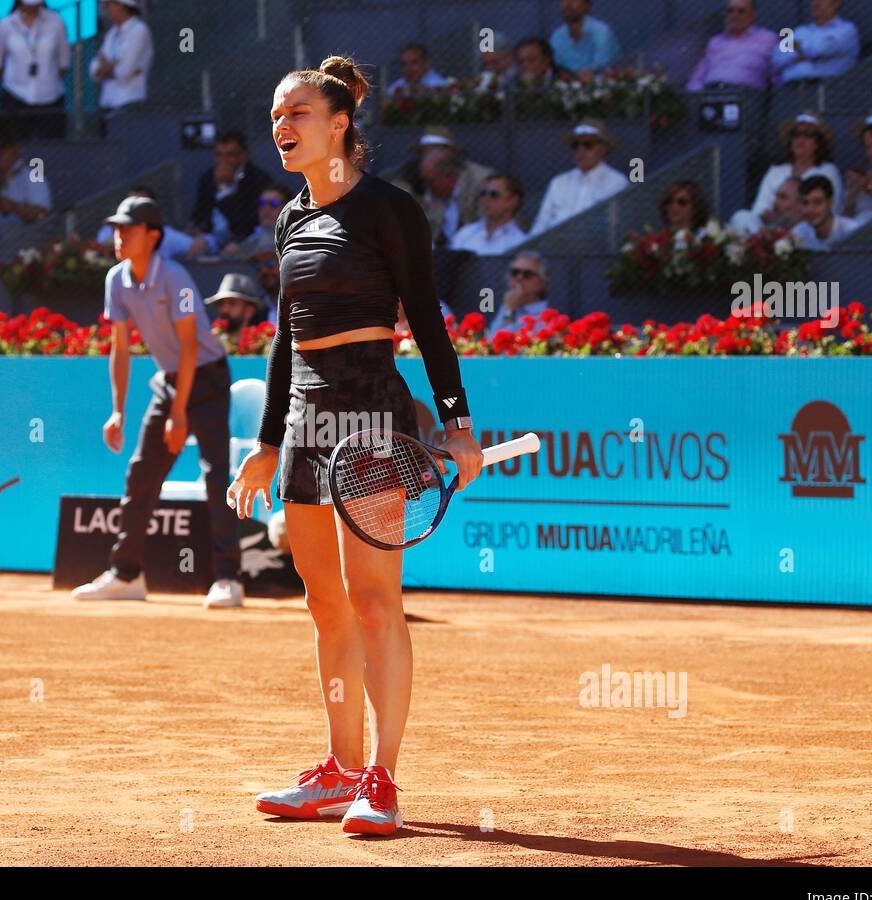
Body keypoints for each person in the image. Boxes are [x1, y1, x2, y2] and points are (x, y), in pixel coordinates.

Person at [228, 55, 483, 835]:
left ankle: (383, 777)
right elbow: (282, 338)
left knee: (375, 602)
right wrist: (269, 440)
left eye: (297, 111)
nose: (282, 124)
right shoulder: (290, 217)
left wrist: (457, 421)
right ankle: (338, 770)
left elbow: (429, 319)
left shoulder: (388, 210)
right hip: (307, 417)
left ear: (339, 122)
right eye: (276, 113)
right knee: (324, 601)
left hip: (373, 409)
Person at [72, 196, 244, 608]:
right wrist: (118, 410)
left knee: (215, 475)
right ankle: (126, 574)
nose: (119, 236)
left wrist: (180, 414)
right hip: (169, 382)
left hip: (207, 378)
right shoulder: (116, 279)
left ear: (152, 236)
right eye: (117, 228)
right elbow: (119, 347)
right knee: (141, 474)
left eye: (128, 229)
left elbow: (188, 349)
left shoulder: (176, 278)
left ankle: (228, 580)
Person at [729, 112, 842, 232]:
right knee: (741, 216)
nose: (800, 139)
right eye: (795, 134)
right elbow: (760, 209)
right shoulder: (776, 171)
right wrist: (772, 217)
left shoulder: (828, 171)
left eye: (808, 135)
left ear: (818, 143)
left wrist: (790, 218)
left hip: (807, 230)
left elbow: (829, 212)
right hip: (771, 229)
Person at [392, 128, 495, 247]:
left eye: (438, 150)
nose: (430, 155)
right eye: (424, 153)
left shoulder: (482, 182)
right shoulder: (411, 177)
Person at [529, 119, 629, 235]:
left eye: (588, 144)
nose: (580, 150)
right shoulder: (558, 182)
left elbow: (614, 229)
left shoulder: (616, 182)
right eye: (576, 145)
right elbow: (541, 224)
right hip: (554, 249)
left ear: (603, 149)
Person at [0, 0, 71, 140]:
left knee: (51, 150)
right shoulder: (5, 25)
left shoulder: (56, 22)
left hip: (50, 97)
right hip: (15, 96)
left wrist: (46, 79)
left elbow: (64, 62)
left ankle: (40, 163)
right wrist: (15, 80)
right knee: (17, 147)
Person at [188, 131, 272, 253]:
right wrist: (196, 228)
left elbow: (247, 222)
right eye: (219, 155)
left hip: (243, 237)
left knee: (231, 250)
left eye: (230, 155)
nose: (223, 160)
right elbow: (200, 213)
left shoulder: (258, 179)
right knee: (196, 246)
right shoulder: (207, 178)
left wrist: (225, 189)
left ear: (243, 155)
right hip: (212, 236)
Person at [686, 0, 779, 92]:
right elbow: (698, 77)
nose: (734, 15)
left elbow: (776, 73)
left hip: (747, 97)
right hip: (712, 93)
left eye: (741, 11)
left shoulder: (767, 39)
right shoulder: (715, 42)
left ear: (752, 15)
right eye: (730, 11)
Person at [95, 185, 204, 259]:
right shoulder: (115, 276)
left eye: (140, 203)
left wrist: (203, 240)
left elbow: (198, 245)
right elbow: (97, 248)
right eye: (129, 201)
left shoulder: (167, 236)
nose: (122, 236)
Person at [91, 0, 153, 125]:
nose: (106, 8)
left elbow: (124, 72)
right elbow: (94, 69)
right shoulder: (111, 33)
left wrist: (108, 68)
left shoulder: (139, 31)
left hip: (129, 104)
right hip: (106, 103)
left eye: (109, 4)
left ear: (121, 6)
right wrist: (114, 66)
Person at [772, 0, 860, 84]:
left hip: (827, 89)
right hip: (791, 89)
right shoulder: (801, 31)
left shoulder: (846, 30)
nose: (816, 3)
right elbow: (777, 58)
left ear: (836, 2)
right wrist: (802, 53)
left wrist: (796, 49)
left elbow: (820, 50)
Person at [449, 173, 529, 255]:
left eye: (493, 194)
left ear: (512, 201)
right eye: (483, 193)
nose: (485, 199)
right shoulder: (465, 233)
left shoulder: (520, 243)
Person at [0, 131, 52, 236]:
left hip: (22, 243)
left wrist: (13, 207)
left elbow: (42, 215)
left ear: (15, 151)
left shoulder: (34, 177)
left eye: (2, 151)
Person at [549, 0, 621, 74]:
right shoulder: (557, 37)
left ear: (587, 6)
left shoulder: (601, 32)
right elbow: (555, 68)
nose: (568, 4)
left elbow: (601, 67)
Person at [219, 184, 289, 259]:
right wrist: (230, 253)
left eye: (274, 203)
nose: (266, 209)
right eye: (262, 203)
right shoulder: (248, 239)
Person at [489, 249, 551, 333]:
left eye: (527, 274)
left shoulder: (546, 315)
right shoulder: (508, 305)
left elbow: (509, 343)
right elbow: (491, 339)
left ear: (542, 283)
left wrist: (509, 311)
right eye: (515, 272)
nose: (519, 278)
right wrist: (508, 310)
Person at [790, 175, 856, 250]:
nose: (810, 209)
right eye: (805, 203)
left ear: (831, 203)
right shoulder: (799, 232)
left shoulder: (851, 231)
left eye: (817, 202)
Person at [731, 175, 803, 234]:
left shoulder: (806, 230)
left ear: (800, 203)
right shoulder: (771, 224)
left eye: (783, 197)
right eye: (776, 196)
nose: (775, 202)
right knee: (742, 216)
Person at [385, 42, 451, 95]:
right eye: (404, 64)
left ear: (426, 63)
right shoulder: (395, 87)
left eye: (414, 63)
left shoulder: (438, 85)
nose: (408, 68)